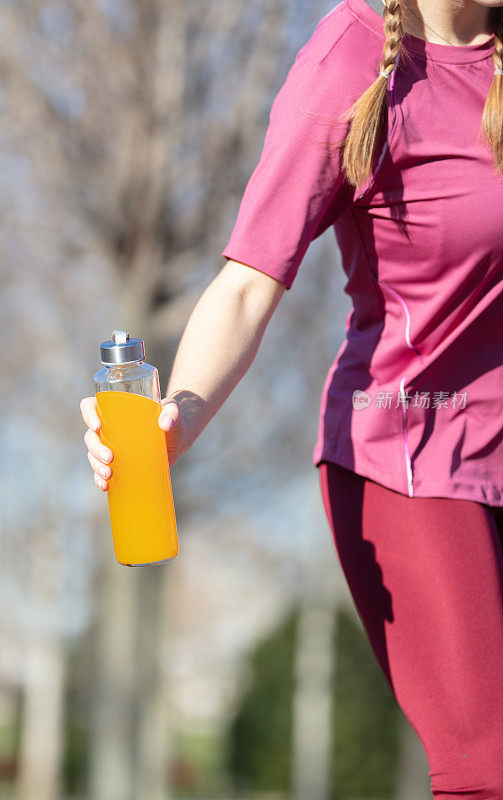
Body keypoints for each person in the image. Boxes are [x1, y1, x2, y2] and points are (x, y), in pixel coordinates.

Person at [81, 0, 503, 795]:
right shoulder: (352, 56)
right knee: (489, 764)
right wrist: (177, 421)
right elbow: (247, 281)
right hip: (410, 453)